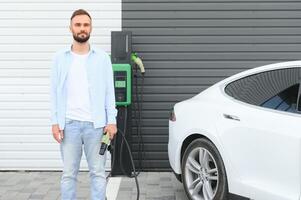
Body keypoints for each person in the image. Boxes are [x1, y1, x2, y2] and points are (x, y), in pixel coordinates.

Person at [50, 9, 117, 200]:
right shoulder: (59, 59)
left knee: (97, 173)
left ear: (91, 28)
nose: (82, 29)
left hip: (96, 126)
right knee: (69, 174)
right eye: (78, 24)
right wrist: (55, 122)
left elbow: (109, 92)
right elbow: (54, 93)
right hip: (69, 125)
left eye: (86, 25)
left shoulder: (102, 58)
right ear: (70, 27)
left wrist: (111, 120)